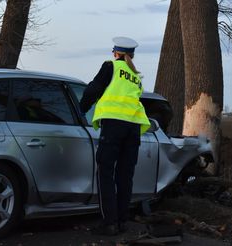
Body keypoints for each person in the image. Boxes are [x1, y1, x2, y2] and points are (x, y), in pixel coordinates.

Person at [79, 37, 151, 236]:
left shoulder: (110, 66)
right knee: (125, 176)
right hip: (133, 128)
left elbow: (94, 88)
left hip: (114, 126)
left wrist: (81, 108)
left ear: (115, 53)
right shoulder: (135, 75)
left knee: (105, 172)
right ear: (131, 55)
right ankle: (121, 221)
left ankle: (109, 223)